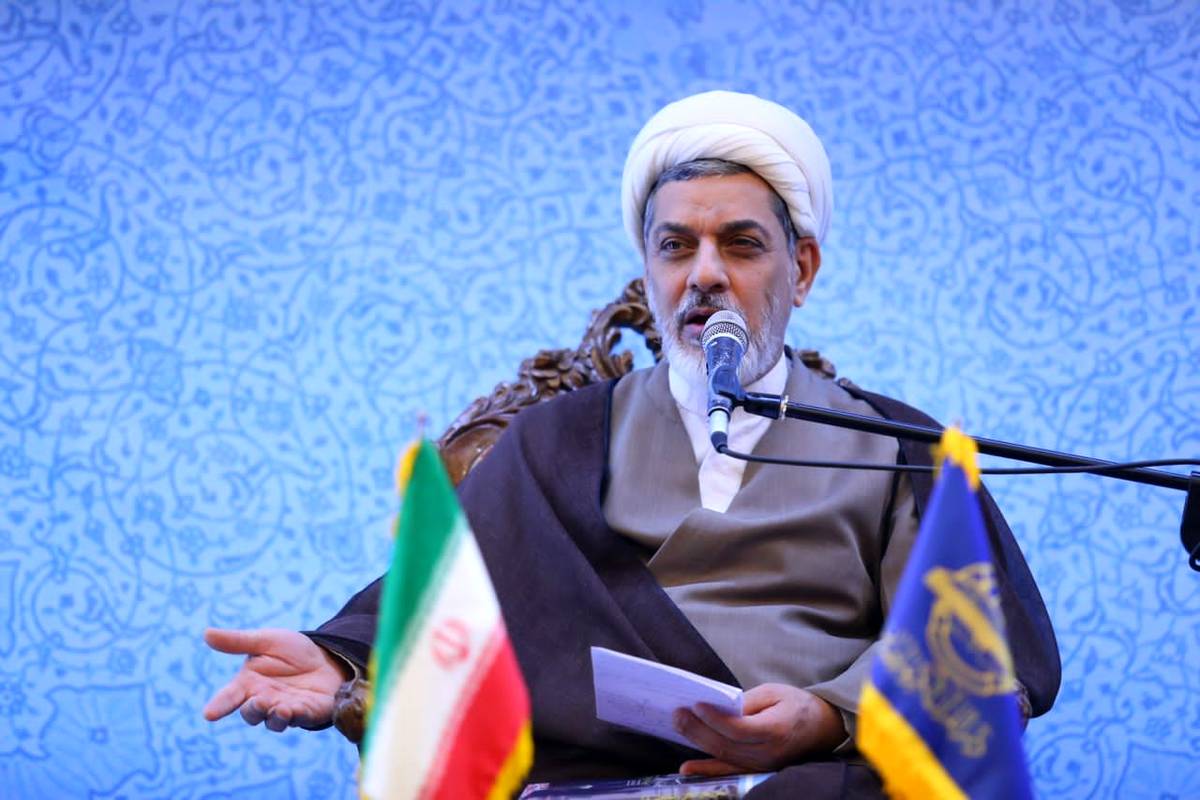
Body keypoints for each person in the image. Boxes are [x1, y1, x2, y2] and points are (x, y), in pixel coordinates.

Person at [203, 91, 1059, 797]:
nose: (705, 275)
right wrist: (341, 658)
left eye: (742, 245)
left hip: (810, 777)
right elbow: (445, 597)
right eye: (676, 247)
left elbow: (968, 643)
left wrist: (827, 714)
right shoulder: (557, 439)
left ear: (801, 270)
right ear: (649, 271)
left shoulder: (897, 446)